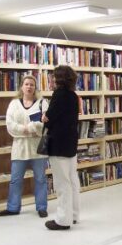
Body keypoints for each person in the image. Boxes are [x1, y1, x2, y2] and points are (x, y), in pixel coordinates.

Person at [0, 75, 49, 218]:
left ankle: (42, 207)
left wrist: (28, 128)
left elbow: (44, 125)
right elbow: (10, 125)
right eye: (26, 84)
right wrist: (27, 130)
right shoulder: (14, 104)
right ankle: (13, 208)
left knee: (40, 179)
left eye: (32, 84)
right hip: (19, 148)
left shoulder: (42, 103)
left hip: (37, 148)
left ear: (35, 87)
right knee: (15, 179)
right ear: (22, 86)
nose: (29, 87)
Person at [42, 65, 80, 230]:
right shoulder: (73, 96)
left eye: (53, 77)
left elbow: (48, 117)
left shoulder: (58, 95)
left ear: (58, 78)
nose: (51, 79)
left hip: (58, 144)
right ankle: (73, 215)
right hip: (71, 143)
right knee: (72, 181)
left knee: (62, 183)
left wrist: (44, 116)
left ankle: (63, 220)